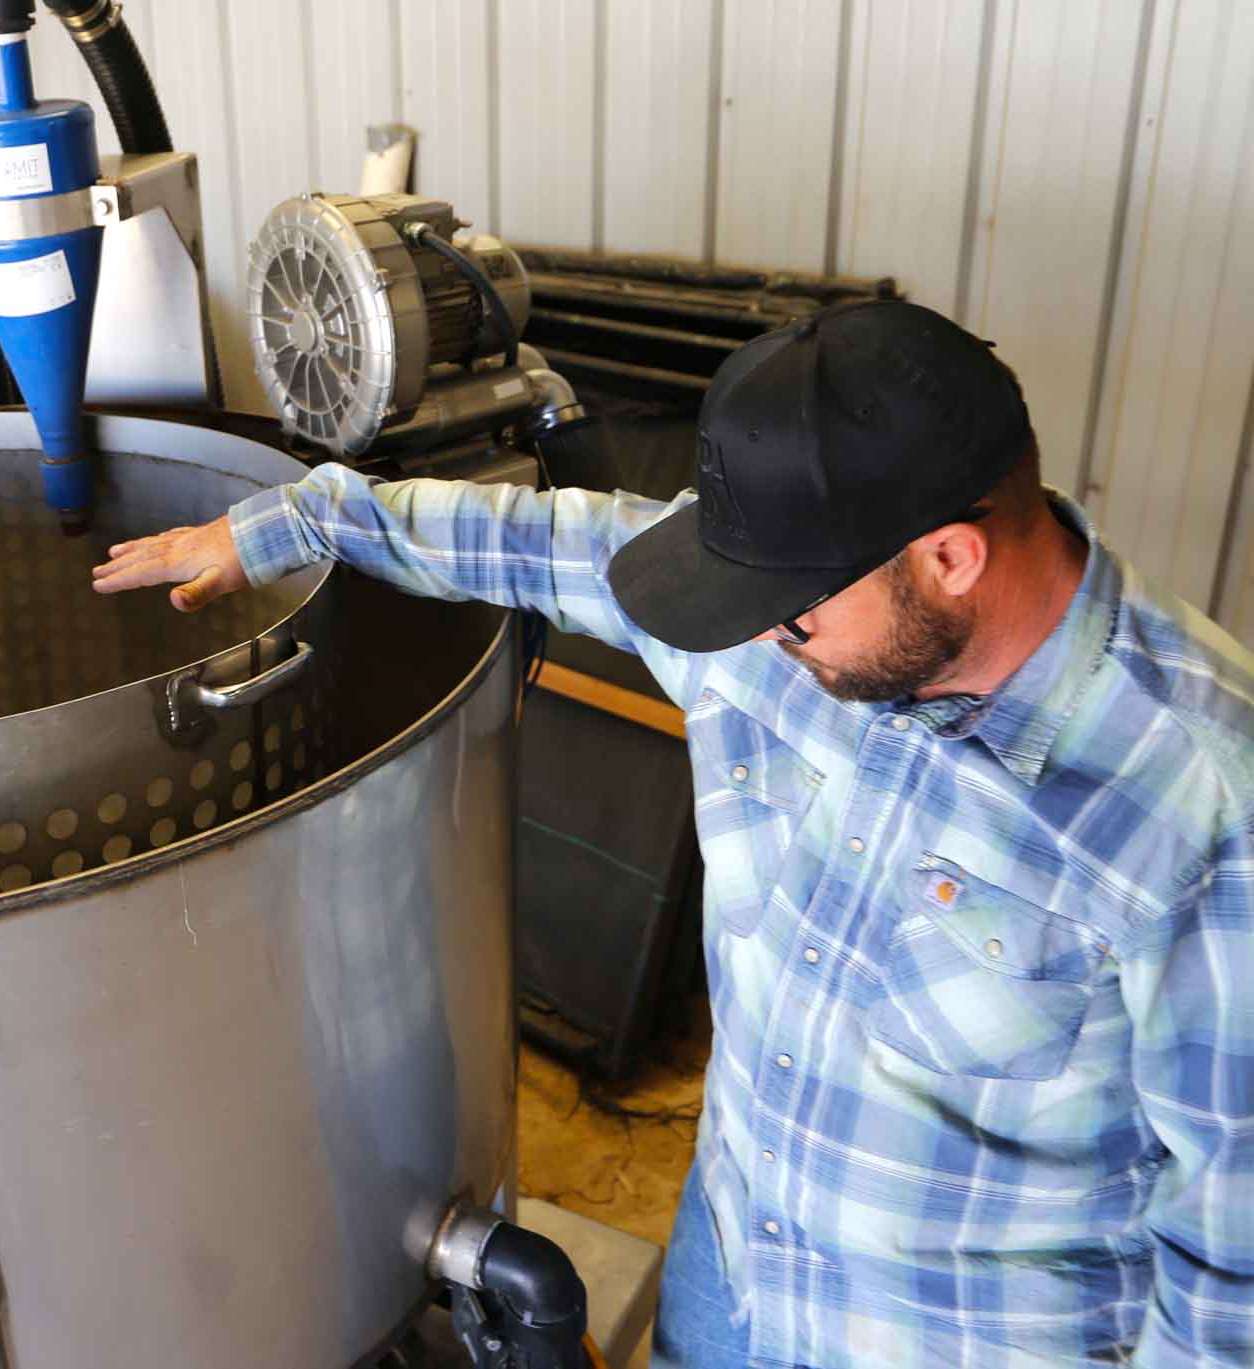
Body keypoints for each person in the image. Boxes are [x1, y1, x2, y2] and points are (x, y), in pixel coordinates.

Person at [92, 300, 1253, 1368]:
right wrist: (297, 525)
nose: (754, 639)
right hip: (728, 1283)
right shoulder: (799, 610)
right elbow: (553, 544)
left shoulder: (1201, 809)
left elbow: (1231, 1270)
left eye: (784, 614)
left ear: (949, 557)